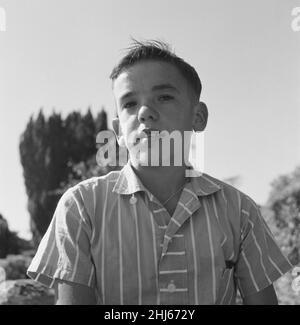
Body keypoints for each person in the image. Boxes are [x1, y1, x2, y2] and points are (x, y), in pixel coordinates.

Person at [27, 40, 293, 305]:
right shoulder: (82, 206)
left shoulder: (239, 211)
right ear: (119, 130)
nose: (144, 112)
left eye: (164, 97)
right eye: (130, 103)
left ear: (198, 116)